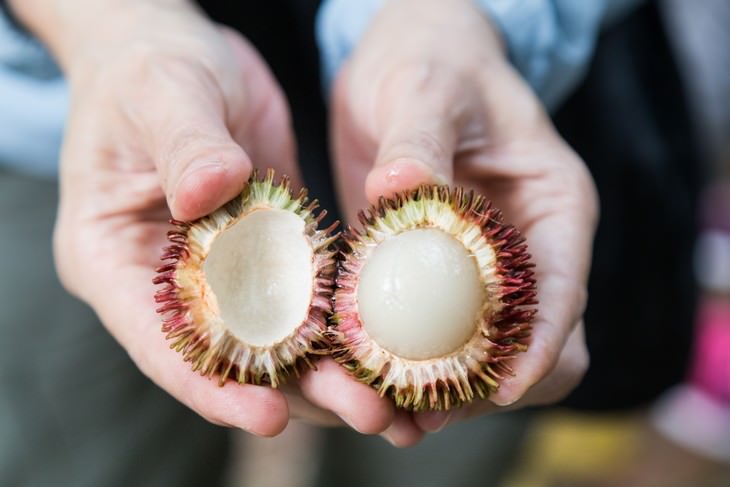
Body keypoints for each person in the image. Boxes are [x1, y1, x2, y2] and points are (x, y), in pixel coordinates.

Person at [0, 0, 699, 485]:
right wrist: (102, 25)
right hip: (75, 122)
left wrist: (459, 13)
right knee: (96, 453)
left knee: (439, 454)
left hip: (481, 117)